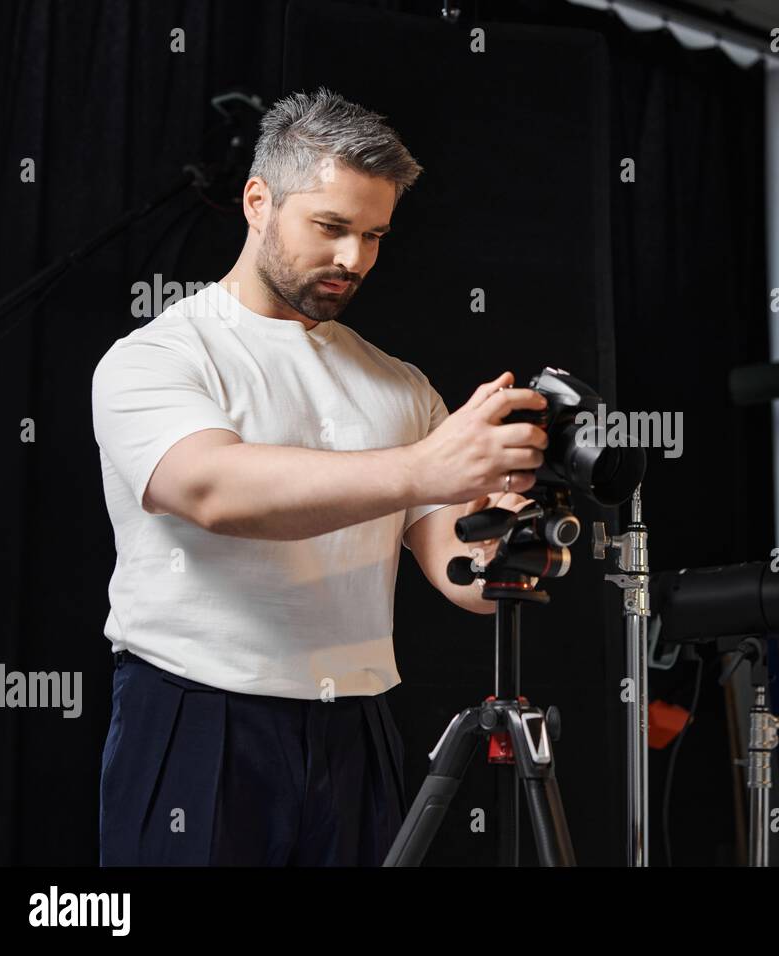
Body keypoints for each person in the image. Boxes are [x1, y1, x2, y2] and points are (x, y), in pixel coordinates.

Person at [91, 87, 548, 865]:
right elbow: (214, 491)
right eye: (331, 227)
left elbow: (459, 572)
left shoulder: (399, 385)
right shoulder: (159, 357)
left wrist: (511, 540)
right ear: (258, 200)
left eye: (375, 235)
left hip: (355, 727)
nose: (355, 259)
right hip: (196, 719)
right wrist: (421, 467)